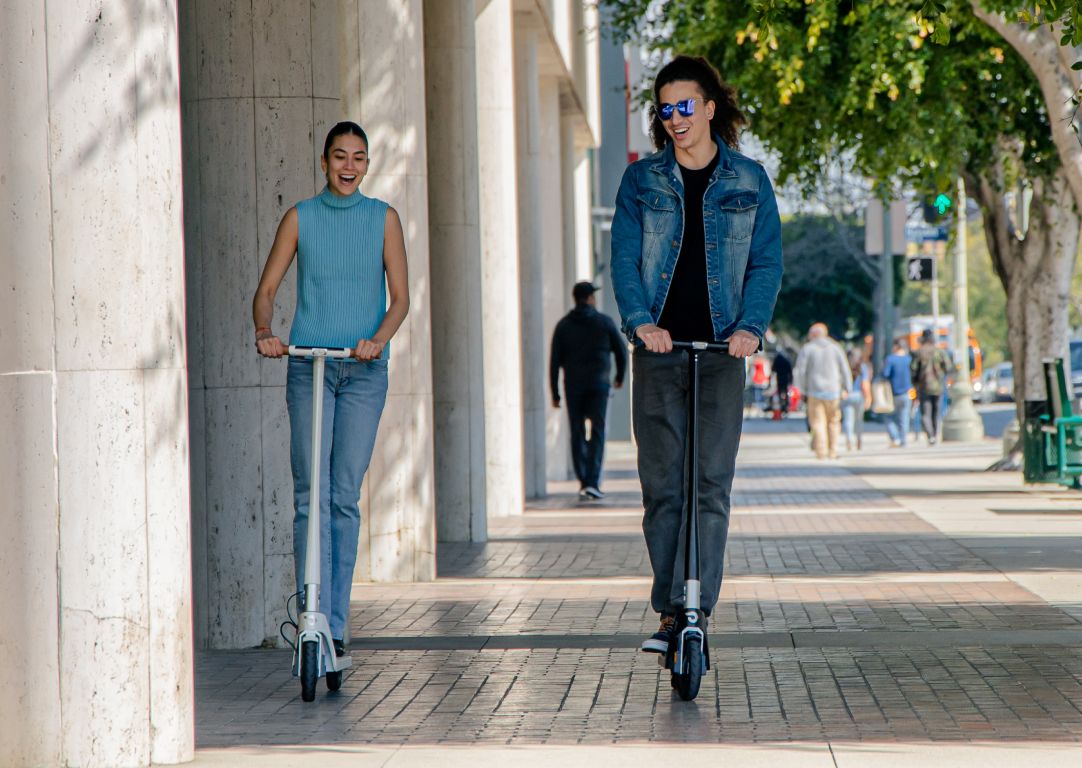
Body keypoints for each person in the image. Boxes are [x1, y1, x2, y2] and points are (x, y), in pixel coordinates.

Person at [609, 55, 783, 654]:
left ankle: (697, 609)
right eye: (667, 109)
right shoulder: (641, 181)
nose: (677, 118)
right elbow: (626, 262)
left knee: (710, 484)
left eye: (687, 106)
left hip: (720, 353)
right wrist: (640, 322)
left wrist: (751, 328)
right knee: (663, 487)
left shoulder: (750, 181)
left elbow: (765, 263)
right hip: (659, 352)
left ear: (710, 107)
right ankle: (668, 611)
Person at [252, 121, 410, 657]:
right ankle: (310, 613)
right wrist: (265, 333)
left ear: (367, 165)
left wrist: (377, 340)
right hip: (310, 366)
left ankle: (336, 626)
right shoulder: (300, 217)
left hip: (363, 371)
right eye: (340, 156)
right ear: (324, 162)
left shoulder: (383, 219)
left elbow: (401, 300)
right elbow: (267, 288)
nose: (349, 166)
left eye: (359, 158)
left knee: (343, 498)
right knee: (309, 496)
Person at [549, 281, 628, 501]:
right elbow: (621, 352)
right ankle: (593, 481)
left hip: (573, 387)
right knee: (598, 433)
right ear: (590, 298)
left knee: (577, 432)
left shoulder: (563, 326)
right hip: (599, 386)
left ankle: (585, 481)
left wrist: (555, 394)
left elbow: (554, 362)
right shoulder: (604, 322)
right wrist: (619, 377)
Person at [793, 323, 852, 460]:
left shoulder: (808, 349)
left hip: (814, 391)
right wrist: (847, 388)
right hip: (834, 391)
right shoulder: (836, 347)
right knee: (834, 422)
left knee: (818, 423)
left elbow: (800, 371)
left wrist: (802, 389)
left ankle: (821, 452)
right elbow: (845, 369)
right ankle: (833, 451)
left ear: (813, 334)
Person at [910, 329, 951, 444]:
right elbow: (948, 366)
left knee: (926, 413)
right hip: (938, 386)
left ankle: (930, 435)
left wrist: (915, 383)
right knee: (936, 412)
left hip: (924, 387)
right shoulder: (939, 352)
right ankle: (935, 433)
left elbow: (913, 370)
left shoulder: (919, 352)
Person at [880, 338, 913, 447]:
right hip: (907, 392)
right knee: (904, 418)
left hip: (892, 393)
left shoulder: (890, 359)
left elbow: (885, 374)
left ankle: (895, 437)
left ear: (896, 347)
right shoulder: (909, 359)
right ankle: (903, 440)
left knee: (888, 416)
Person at [841, 347, 872, 451]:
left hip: (847, 395)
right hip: (859, 395)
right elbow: (865, 384)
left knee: (848, 420)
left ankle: (849, 439)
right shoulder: (863, 367)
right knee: (858, 420)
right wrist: (868, 397)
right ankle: (858, 439)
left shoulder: (844, 367)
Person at [772, 347, 794, 415]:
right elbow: (790, 369)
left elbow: (773, 369)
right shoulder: (786, 359)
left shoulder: (777, 359)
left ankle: (781, 405)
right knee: (785, 391)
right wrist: (791, 379)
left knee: (780, 391)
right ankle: (786, 405)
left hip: (779, 377)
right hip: (785, 377)